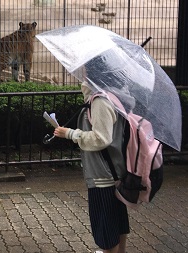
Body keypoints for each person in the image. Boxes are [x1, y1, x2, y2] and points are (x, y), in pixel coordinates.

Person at [53, 79, 130, 253]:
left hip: (103, 175)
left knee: (106, 230)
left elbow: (101, 138)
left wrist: (70, 133)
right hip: (115, 171)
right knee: (117, 223)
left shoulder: (100, 101)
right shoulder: (113, 93)